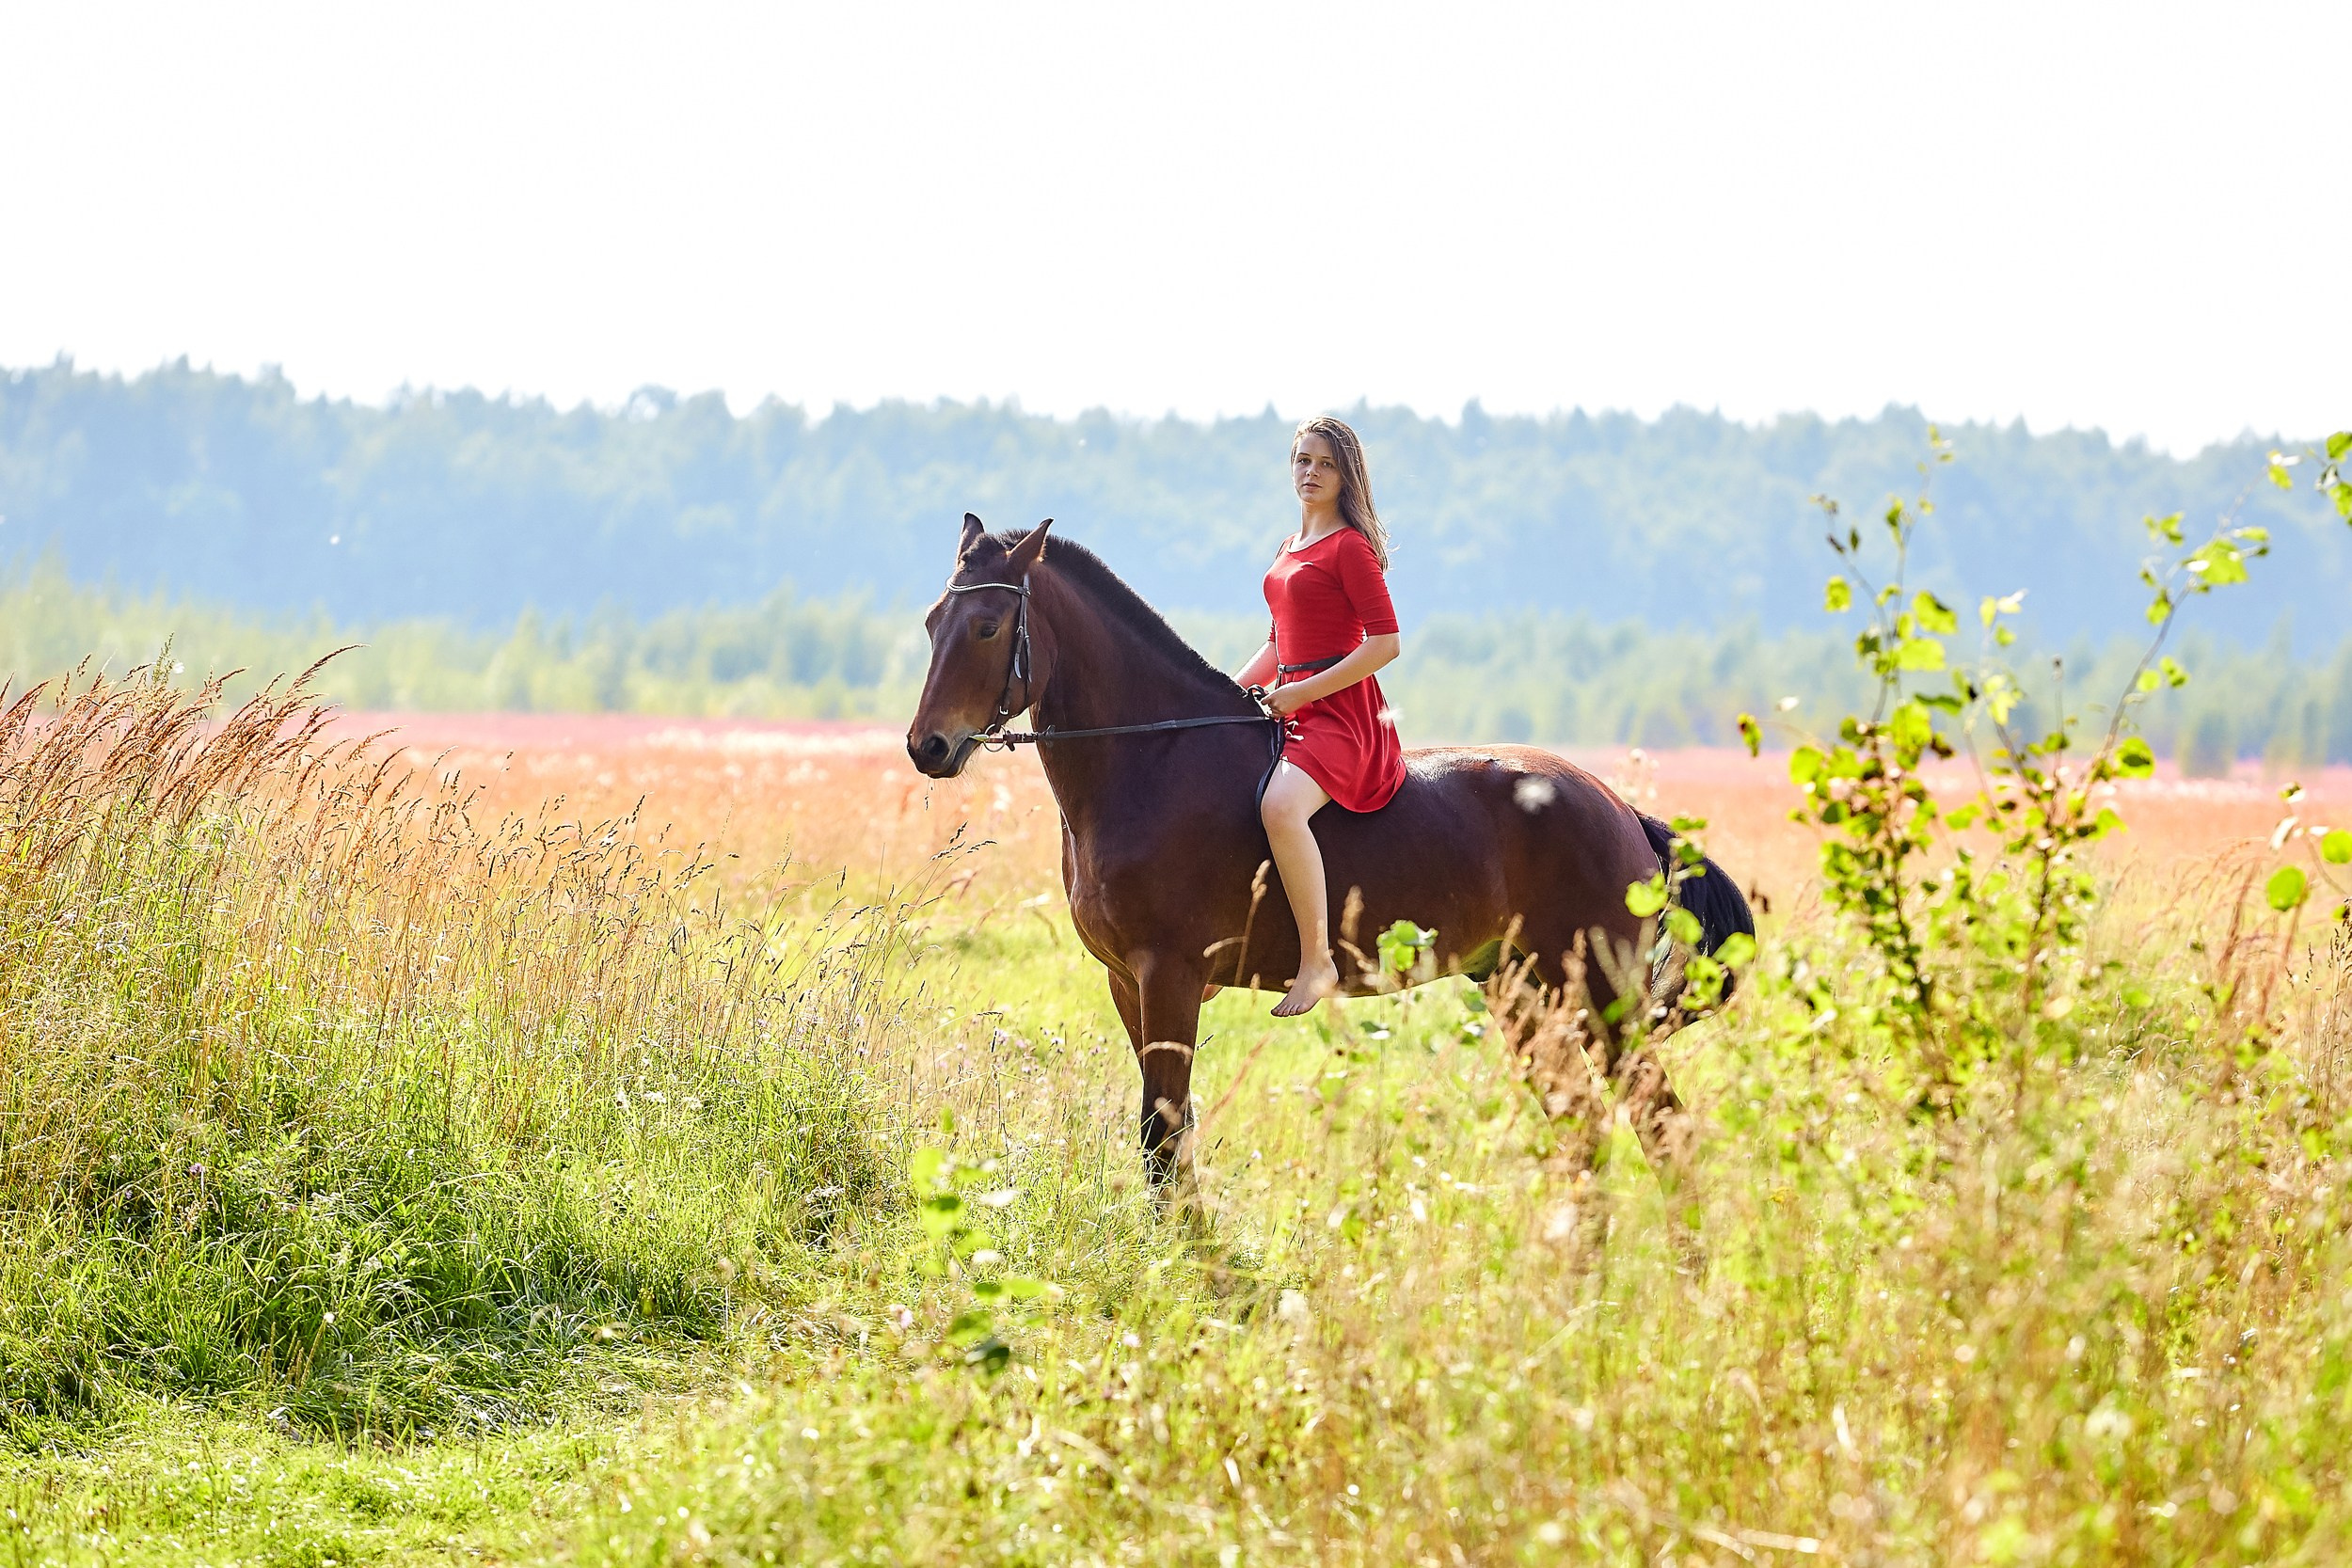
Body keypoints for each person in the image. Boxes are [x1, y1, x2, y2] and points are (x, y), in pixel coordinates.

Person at [1232, 417, 1406, 1017]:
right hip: (1288, 703)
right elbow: (1280, 642)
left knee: (1280, 807)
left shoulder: (1349, 548)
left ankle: (1317, 962)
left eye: (1325, 464)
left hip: (1341, 716)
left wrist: (1303, 695)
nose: (1310, 473)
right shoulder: (1289, 547)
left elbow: (1384, 643)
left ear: (1346, 476)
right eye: (1302, 460)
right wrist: (1229, 693)